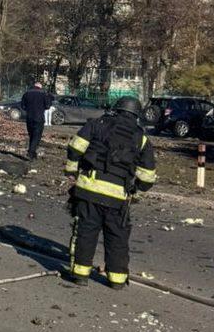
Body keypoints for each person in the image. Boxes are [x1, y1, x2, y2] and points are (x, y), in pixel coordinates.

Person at [63, 96, 156, 289]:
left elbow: (75, 148)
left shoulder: (97, 124)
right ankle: (117, 280)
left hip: (89, 190)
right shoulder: (141, 138)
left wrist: (72, 170)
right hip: (118, 197)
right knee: (117, 237)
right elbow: (147, 178)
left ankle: (80, 275)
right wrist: (135, 188)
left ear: (116, 109)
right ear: (137, 116)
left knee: (86, 232)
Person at [20, 81, 51, 160]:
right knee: (36, 136)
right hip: (39, 118)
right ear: (40, 87)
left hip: (29, 117)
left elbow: (22, 106)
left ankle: (33, 154)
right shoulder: (44, 93)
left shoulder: (26, 93)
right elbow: (48, 106)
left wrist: (29, 109)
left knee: (31, 135)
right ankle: (30, 153)